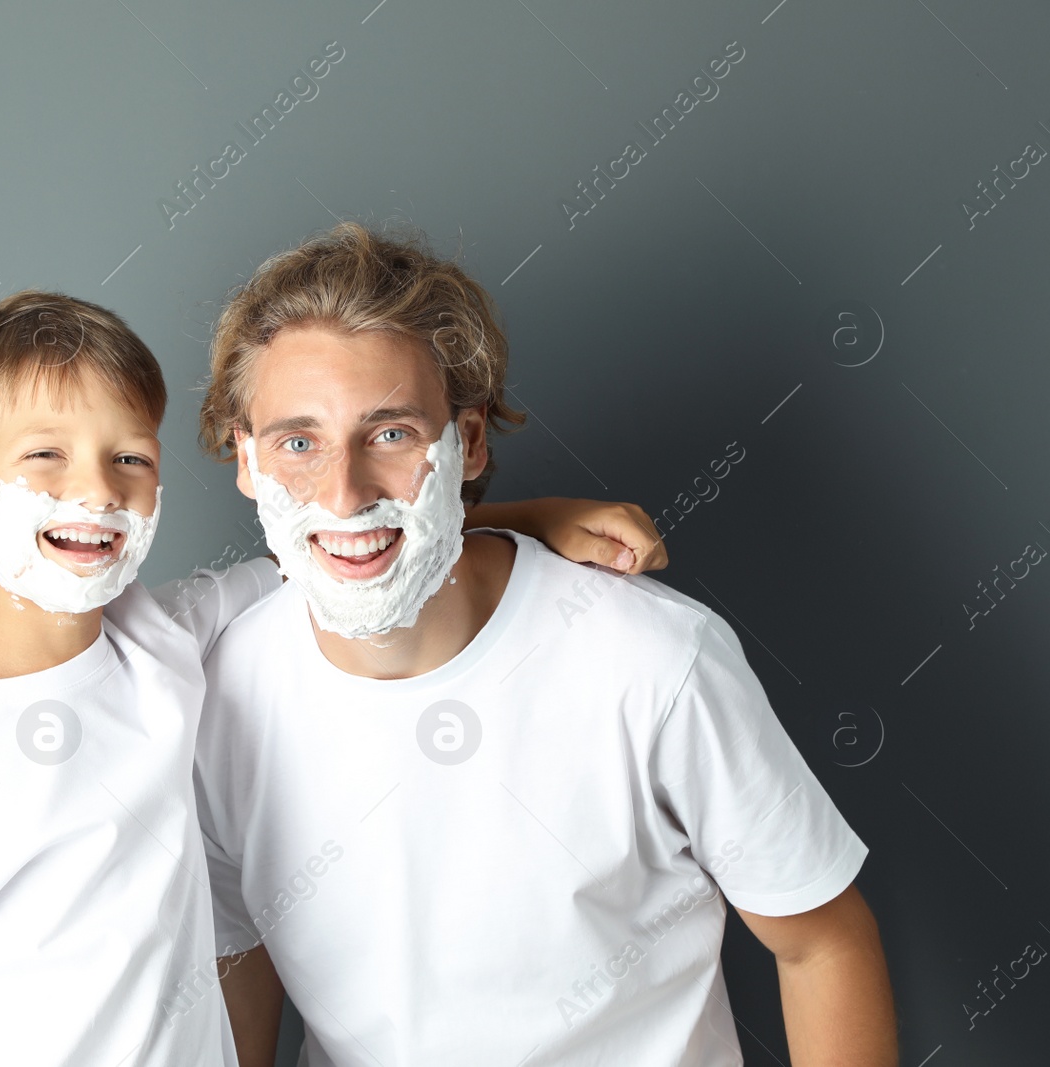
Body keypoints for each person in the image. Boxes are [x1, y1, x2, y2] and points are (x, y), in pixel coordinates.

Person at [0, 290, 667, 1066]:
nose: (95, 491)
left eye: (129, 457)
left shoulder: (166, 641)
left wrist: (534, 516)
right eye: (45, 456)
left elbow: (341, 543)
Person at [189, 223, 899, 1066]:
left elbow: (822, 941)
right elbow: (245, 954)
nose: (343, 492)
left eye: (391, 434)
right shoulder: (217, 690)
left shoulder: (650, 661)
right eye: (298, 442)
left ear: (470, 441)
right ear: (246, 457)